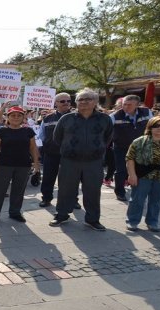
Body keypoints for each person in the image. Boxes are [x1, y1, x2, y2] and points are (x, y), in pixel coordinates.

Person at [50, 88, 113, 230]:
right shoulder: (66, 118)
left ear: (96, 102)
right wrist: (71, 150)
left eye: (88, 99)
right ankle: (61, 215)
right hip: (70, 161)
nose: (84, 102)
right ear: (76, 102)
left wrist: (96, 149)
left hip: (94, 162)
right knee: (66, 189)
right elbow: (57, 137)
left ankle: (92, 219)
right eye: (81, 99)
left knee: (93, 191)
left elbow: (107, 138)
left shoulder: (105, 119)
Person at [0, 106, 40, 224]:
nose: (16, 118)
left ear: (23, 117)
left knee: (19, 190)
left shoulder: (28, 131)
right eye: (13, 115)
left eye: (19, 115)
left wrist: (36, 163)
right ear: (8, 117)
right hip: (4, 165)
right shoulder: (1, 131)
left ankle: (15, 212)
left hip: (24, 165)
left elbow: (33, 148)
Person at [110, 95, 153, 201]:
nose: (126, 106)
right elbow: (106, 131)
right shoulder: (115, 116)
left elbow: (153, 127)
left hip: (141, 147)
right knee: (121, 170)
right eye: (124, 104)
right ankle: (120, 192)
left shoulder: (147, 112)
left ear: (137, 105)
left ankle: (138, 190)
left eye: (129, 104)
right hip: (121, 147)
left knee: (141, 169)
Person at [37, 92, 73, 207]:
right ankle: (46, 198)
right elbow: (41, 135)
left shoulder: (76, 117)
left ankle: (73, 200)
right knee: (48, 177)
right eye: (62, 101)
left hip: (70, 154)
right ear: (55, 103)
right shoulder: (47, 118)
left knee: (71, 179)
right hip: (51, 153)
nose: (66, 103)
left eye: (68, 101)